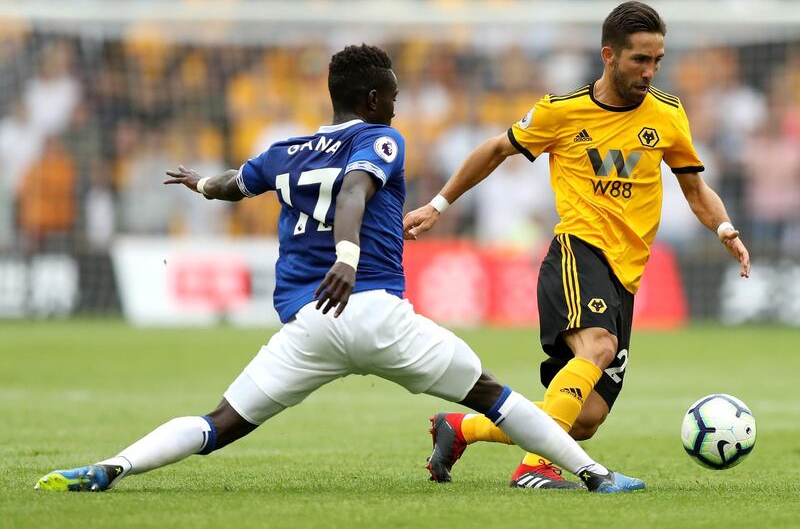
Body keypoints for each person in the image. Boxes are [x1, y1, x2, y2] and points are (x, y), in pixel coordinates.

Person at [34, 44, 643, 494]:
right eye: (395, 98)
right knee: (493, 395)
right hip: (377, 312)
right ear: (375, 100)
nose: (397, 108)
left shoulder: (284, 152)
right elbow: (355, 191)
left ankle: (111, 467)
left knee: (220, 421)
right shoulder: (381, 140)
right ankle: (596, 475)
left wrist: (198, 183)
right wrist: (348, 259)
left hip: (310, 325)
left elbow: (231, 185)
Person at [404, 2, 751, 490]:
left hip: (626, 274)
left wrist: (724, 229)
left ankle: (461, 428)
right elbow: (495, 150)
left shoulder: (668, 115)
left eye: (657, 60)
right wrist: (438, 205)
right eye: (639, 60)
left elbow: (696, 189)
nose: (649, 72)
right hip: (577, 251)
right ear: (609, 55)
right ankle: (536, 467)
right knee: (598, 346)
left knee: (585, 418)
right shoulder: (561, 111)